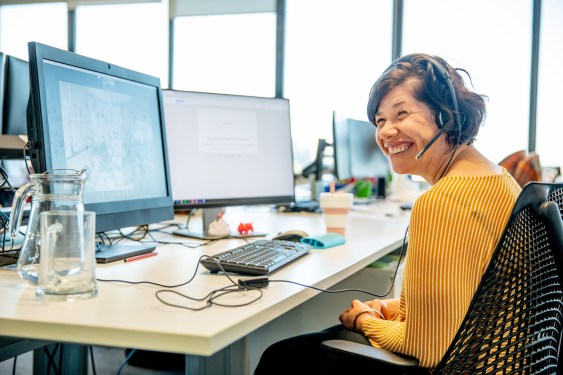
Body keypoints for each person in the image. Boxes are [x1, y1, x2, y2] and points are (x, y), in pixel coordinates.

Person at [254, 53, 522, 374]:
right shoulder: (498, 180)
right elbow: (463, 299)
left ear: (447, 116)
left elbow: (429, 347)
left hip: (464, 364)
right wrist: (390, 309)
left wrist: (367, 321)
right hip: (498, 356)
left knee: (282, 358)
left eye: (401, 113)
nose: (386, 132)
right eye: (380, 120)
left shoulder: (446, 199)